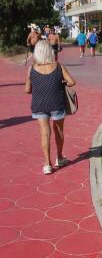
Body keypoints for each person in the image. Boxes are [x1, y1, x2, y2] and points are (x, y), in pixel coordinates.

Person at [25, 40, 76, 174]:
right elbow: (72, 82)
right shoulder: (58, 66)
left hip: (39, 104)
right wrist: (61, 82)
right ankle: (59, 157)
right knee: (58, 131)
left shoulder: (31, 68)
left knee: (44, 133)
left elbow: (27, 90)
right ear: (50, 52)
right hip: (57, 103)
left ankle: (47, 164)